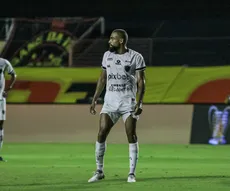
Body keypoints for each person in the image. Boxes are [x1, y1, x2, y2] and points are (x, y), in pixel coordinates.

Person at [88, 29, 146, 183]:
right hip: (110, 102)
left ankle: (131, 174)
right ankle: (99, 171)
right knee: (101, 133)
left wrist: (139, 102)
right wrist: (95, 98)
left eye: (112, 38)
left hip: (128, 102)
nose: (110, 41)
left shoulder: (136, 57)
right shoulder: (107, 56)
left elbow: (141, 82)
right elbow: (102, 78)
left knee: (131, 135)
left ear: (121, 41)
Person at [0, 58, 17, 162]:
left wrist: (8, 88)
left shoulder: (3, 62)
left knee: (0, 124)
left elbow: (13, 75)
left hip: (0, 99)